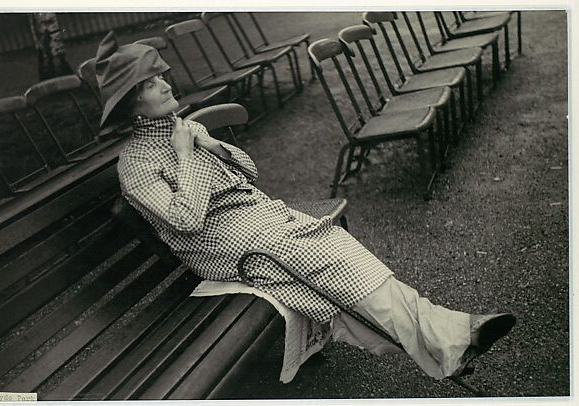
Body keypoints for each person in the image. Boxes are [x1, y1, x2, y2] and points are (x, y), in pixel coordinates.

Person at [95, 31, 516, 381]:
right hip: (220, 243)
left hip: (258, 219)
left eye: (162, 77)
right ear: (133, 101)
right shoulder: (136, 163)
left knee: (342, 250)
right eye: (152, 84)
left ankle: (450, 339)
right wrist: (186, 157)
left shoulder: (184, 129)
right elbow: (185, 221)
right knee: (332, 263)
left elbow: (249, 170)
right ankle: (450, 339)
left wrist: (208, 145)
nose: (167, 85)